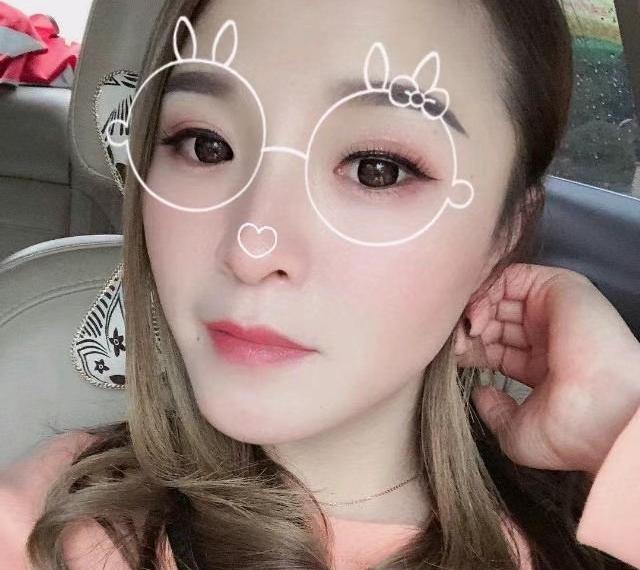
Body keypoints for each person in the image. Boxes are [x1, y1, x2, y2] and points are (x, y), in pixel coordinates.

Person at [0, 0, 638, 568]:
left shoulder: (603, 528)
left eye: (376, 169)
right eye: (204, 145)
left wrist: (615, 427)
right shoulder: (45, 527)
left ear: (503, 232)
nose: (251, 250)